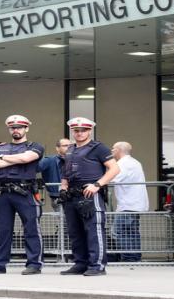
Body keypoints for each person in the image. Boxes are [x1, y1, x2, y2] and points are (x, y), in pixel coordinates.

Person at [0, 115, 45, 275]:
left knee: (32, 229)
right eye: (13, 127)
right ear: (9, 129)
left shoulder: (35, 146)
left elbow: (27, 157)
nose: (16, 130)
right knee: (3, 231)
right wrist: (16, 160)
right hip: (2, 193)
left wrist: (4, 158)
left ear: (26, 128)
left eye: (19, 127)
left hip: (25, 192)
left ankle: (34, 264)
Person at [59, 117, 120, 276]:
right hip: (72, 195)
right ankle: (80, 263)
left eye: (83, 130)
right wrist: (63, 187)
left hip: (90, 194)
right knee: (75, 232)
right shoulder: (70, 149)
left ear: (89, 131)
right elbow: (66, 172)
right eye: (76, 130)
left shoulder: (99, 148)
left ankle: (97, 266)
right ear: (72, 131)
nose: (79, 133)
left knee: (93, 231)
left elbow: (114, 169)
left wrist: (97, 185)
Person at [111, 141, 148, 262]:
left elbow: (113, 179)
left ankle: (129, 258)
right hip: (135, 204)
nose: (111, 151)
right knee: (132, 232)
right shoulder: (134, 162)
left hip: (127, 204)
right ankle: (135, 257)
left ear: (118, 150)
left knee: (119, 231)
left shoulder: (123, 164)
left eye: (113, 149)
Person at [38, 138, 71, 211]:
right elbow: (35, 168)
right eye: (65, 145)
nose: (68, 148)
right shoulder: (49, 160)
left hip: (75, 195)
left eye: (70, 146)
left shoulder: (77, 160)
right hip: (57, 196)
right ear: (57, 148)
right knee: (63, 221)